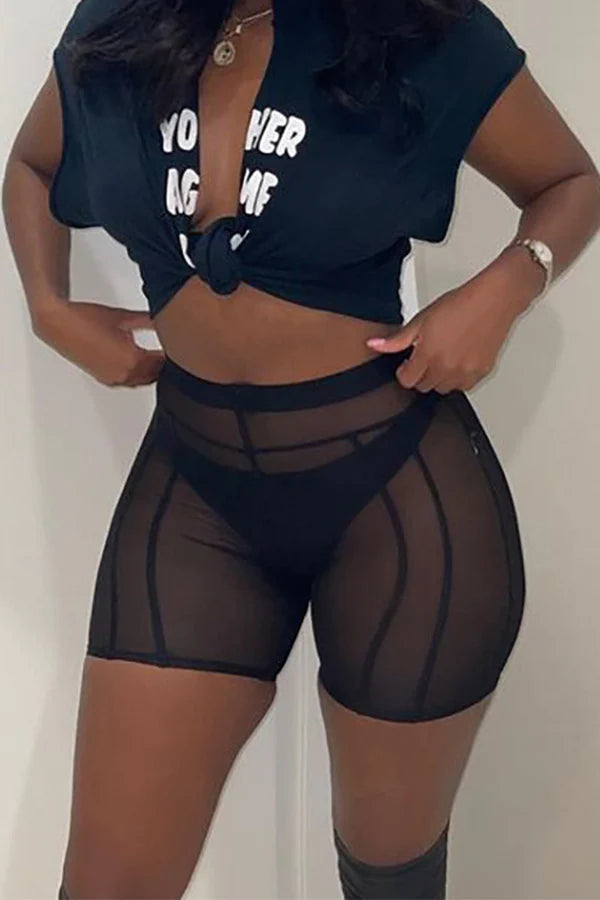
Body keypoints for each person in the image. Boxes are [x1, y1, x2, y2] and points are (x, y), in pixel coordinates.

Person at [3, 0, 600, 895]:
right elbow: (33, 163)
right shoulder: (121, 21)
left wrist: (508, 286)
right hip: (195, 492)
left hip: (398, 498)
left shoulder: (418, 23)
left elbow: (570, 181)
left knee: (387, 878)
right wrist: (48, 307)